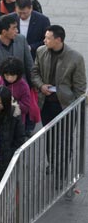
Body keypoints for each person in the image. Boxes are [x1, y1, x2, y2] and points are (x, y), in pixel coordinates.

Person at [31, 25, 86, 179]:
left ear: (58, 40)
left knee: (65, 139)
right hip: (46, 103)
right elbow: (34, 72)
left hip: (65, 106)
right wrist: (41, 86)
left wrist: (74, 104)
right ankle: (53, 163)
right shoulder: (41, 51)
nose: (44, 40)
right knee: (50, 136)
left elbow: (80, 86)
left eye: (48, 38)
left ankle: (62, 172)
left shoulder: (75, 58)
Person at [0, 14, 34, 89]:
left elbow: (29, 64)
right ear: (4, 32)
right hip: (0, 90)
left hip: (21, 88)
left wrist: (33, 84)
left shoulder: (21, 40)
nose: (17, 31)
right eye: (14, 28)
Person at [0, 57, 31, 125]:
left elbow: (26, 108)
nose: (10, 78)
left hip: (14, 122)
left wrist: (10, 102)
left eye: (13, 75)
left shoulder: (24, 86)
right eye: (7, 75)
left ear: (18, 74)